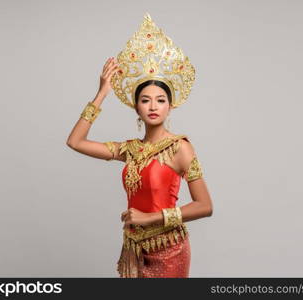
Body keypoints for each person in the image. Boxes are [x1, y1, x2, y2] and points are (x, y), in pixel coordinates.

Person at [66, 13, 213, 278]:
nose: (153, 106)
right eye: (145, 100)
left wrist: (150, 218)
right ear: (137, 107)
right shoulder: (129, 149)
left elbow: (205, 206)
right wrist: (101, 94)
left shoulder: (180, 148)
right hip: (134, 247)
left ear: (170, 105)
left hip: (169, 248)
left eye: (160, 100)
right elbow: (75, 142)